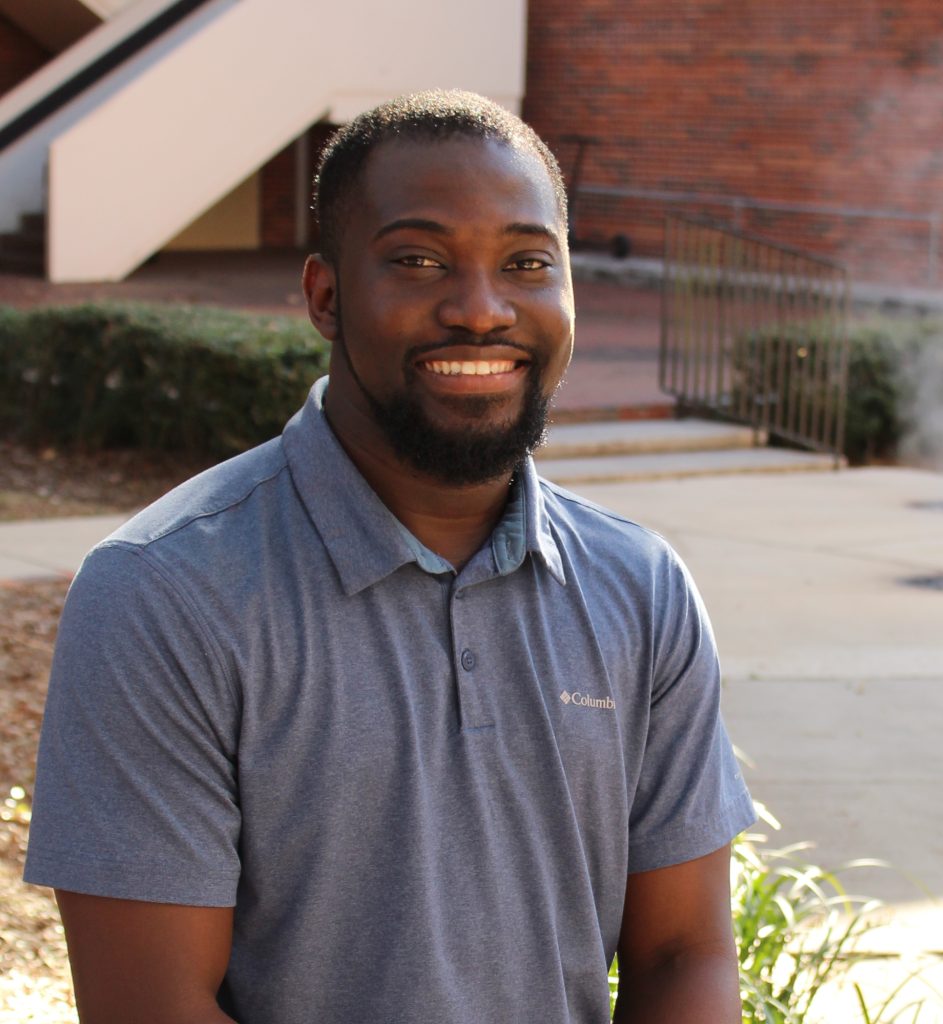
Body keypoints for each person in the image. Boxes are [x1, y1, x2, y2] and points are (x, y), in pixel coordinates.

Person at [24, 90, 754, 1023]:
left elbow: (684, 953)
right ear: (325, 296)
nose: (482, 309)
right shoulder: (167, 594)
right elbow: (152, 1006)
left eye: (527, 262)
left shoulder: (640, 589)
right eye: (418, 260)